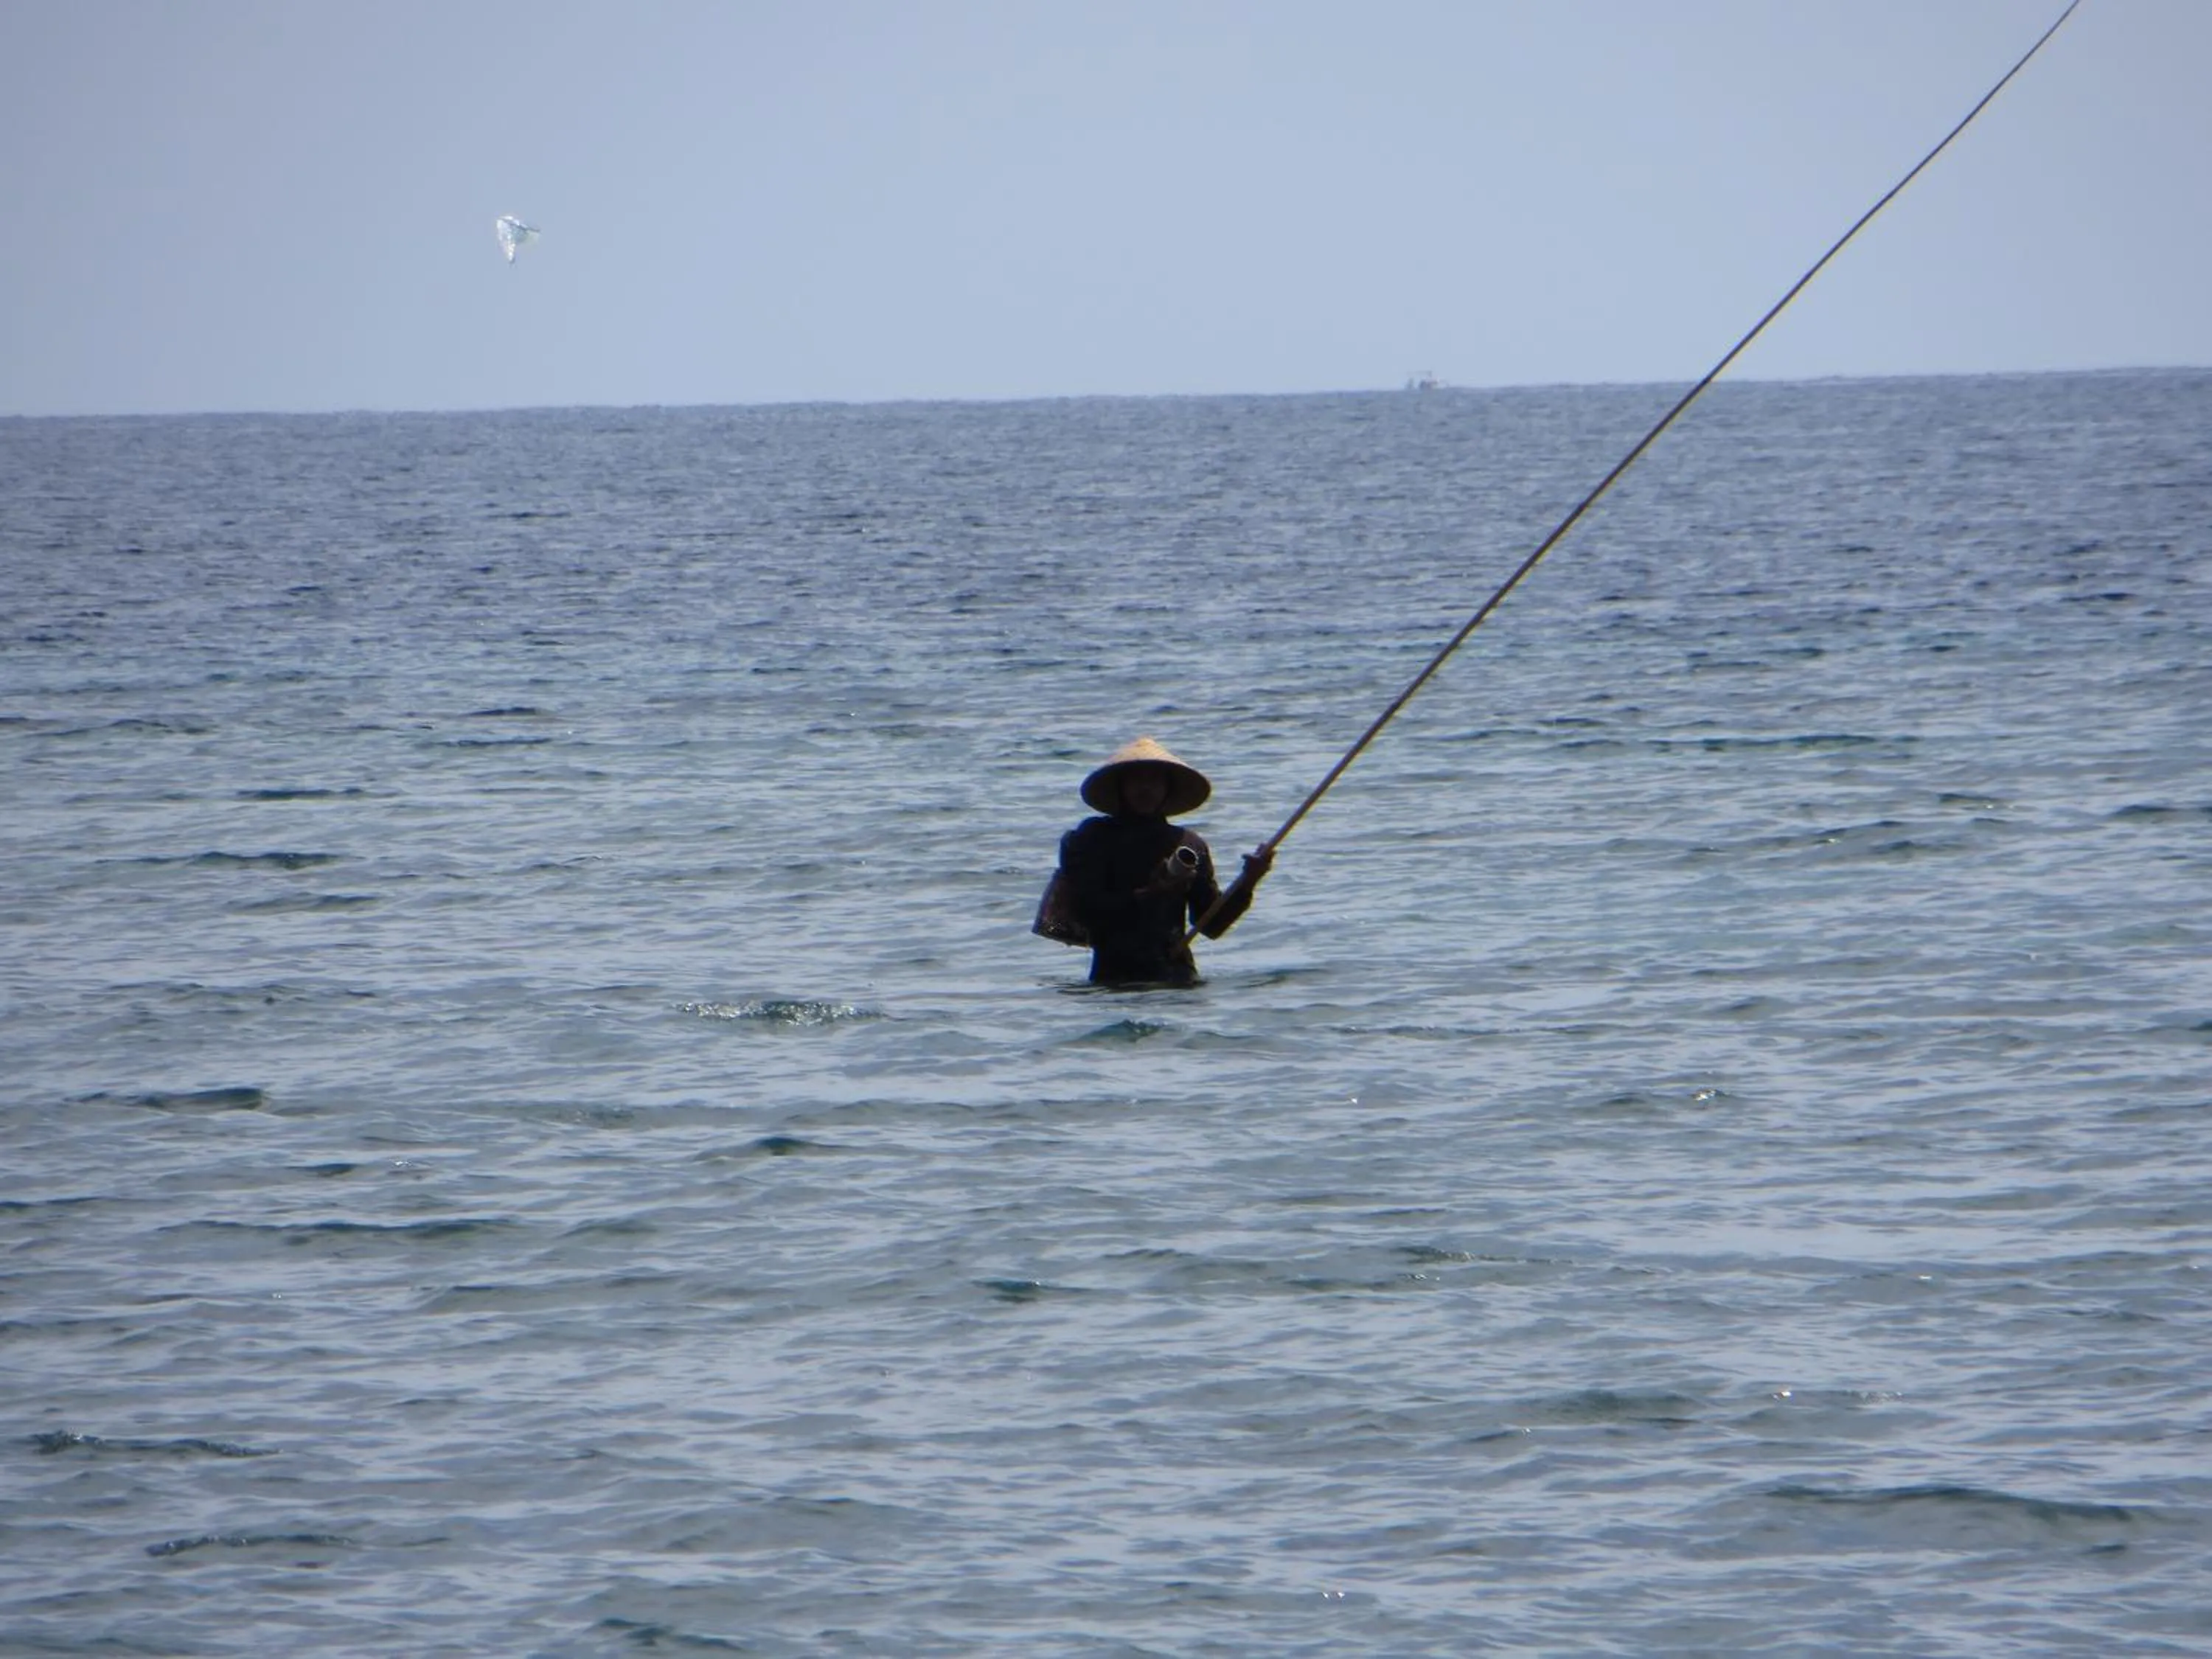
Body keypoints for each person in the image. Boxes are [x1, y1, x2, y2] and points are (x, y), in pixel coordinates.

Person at [1034, 737, 1273, 987]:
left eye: (1154, 780)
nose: (1145, 788)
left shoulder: (1189, 844)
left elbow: (1211, 924)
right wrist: (1152, 894)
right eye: (1136, 780)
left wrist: (1249, 882)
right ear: (1120, 787)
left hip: (1177, 980)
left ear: (1168, 788)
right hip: (1116, 980)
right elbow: (1086, 911)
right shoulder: (1092, 838)